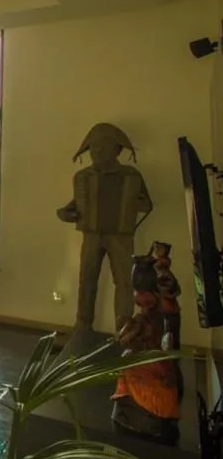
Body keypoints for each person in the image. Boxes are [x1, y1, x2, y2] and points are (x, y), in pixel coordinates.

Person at [56, 123, 152, 331]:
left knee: (125, 283)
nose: (97, 152)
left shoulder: (131, 176)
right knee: (87, 280)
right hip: (91, 235)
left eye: (102, 147)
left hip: (121, 236)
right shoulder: (83, 177)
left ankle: (124, 329)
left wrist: (130, 206)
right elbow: (75, 206)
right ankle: (82, 325)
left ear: (116, 150)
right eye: (94, 148)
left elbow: (147, 205)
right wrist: (65, 213)